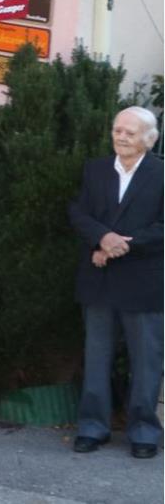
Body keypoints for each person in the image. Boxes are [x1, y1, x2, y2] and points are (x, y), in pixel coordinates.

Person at [69, 106, 162, 459]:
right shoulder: (95, 169)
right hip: (99, 279)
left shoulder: (161, 173)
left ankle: (143, 432)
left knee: (146, 361)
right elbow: (78, 212)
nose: (121, 137)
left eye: (130, 132)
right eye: (117, 130)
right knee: (96, 356)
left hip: (143, 281)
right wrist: (101, 238)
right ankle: (93, 427)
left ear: (149, 140)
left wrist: (119, 246)